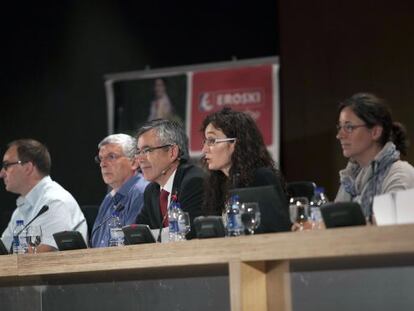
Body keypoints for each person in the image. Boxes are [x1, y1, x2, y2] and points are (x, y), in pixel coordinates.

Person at [201, 107, 291, 233]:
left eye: (212, 141)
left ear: (235, 144)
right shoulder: (216, 184)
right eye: (205, 141)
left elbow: (275, 230)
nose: (204, 149)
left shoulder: (261, 177)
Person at [335, 92, 414, 222]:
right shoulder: (349, 180)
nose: (339, 135)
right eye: (340, 127)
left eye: (349, 127)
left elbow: (393, 231)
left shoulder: (400, 174)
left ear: (375, 132)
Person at [0, 139, 87, 252]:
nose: (1, 173)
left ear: (28, 167)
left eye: (7, 165)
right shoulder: (21, 210)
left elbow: (41, 256)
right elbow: (4, 249)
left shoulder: (54, 202)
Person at [135, 119, 205, 239]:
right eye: (138, 152)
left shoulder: (194, 182)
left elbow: (190, 234)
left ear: (172, 152)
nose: (140, 159)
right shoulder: (151, 191)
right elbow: (136, 234)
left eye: (147, 150)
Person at [91, 134, 149, 248]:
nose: (103, 164)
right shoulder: (108, 199)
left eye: (111, 157)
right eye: (101, 158)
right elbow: (95, 243)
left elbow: (133, 243)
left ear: (134, 162)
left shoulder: (142, 192)